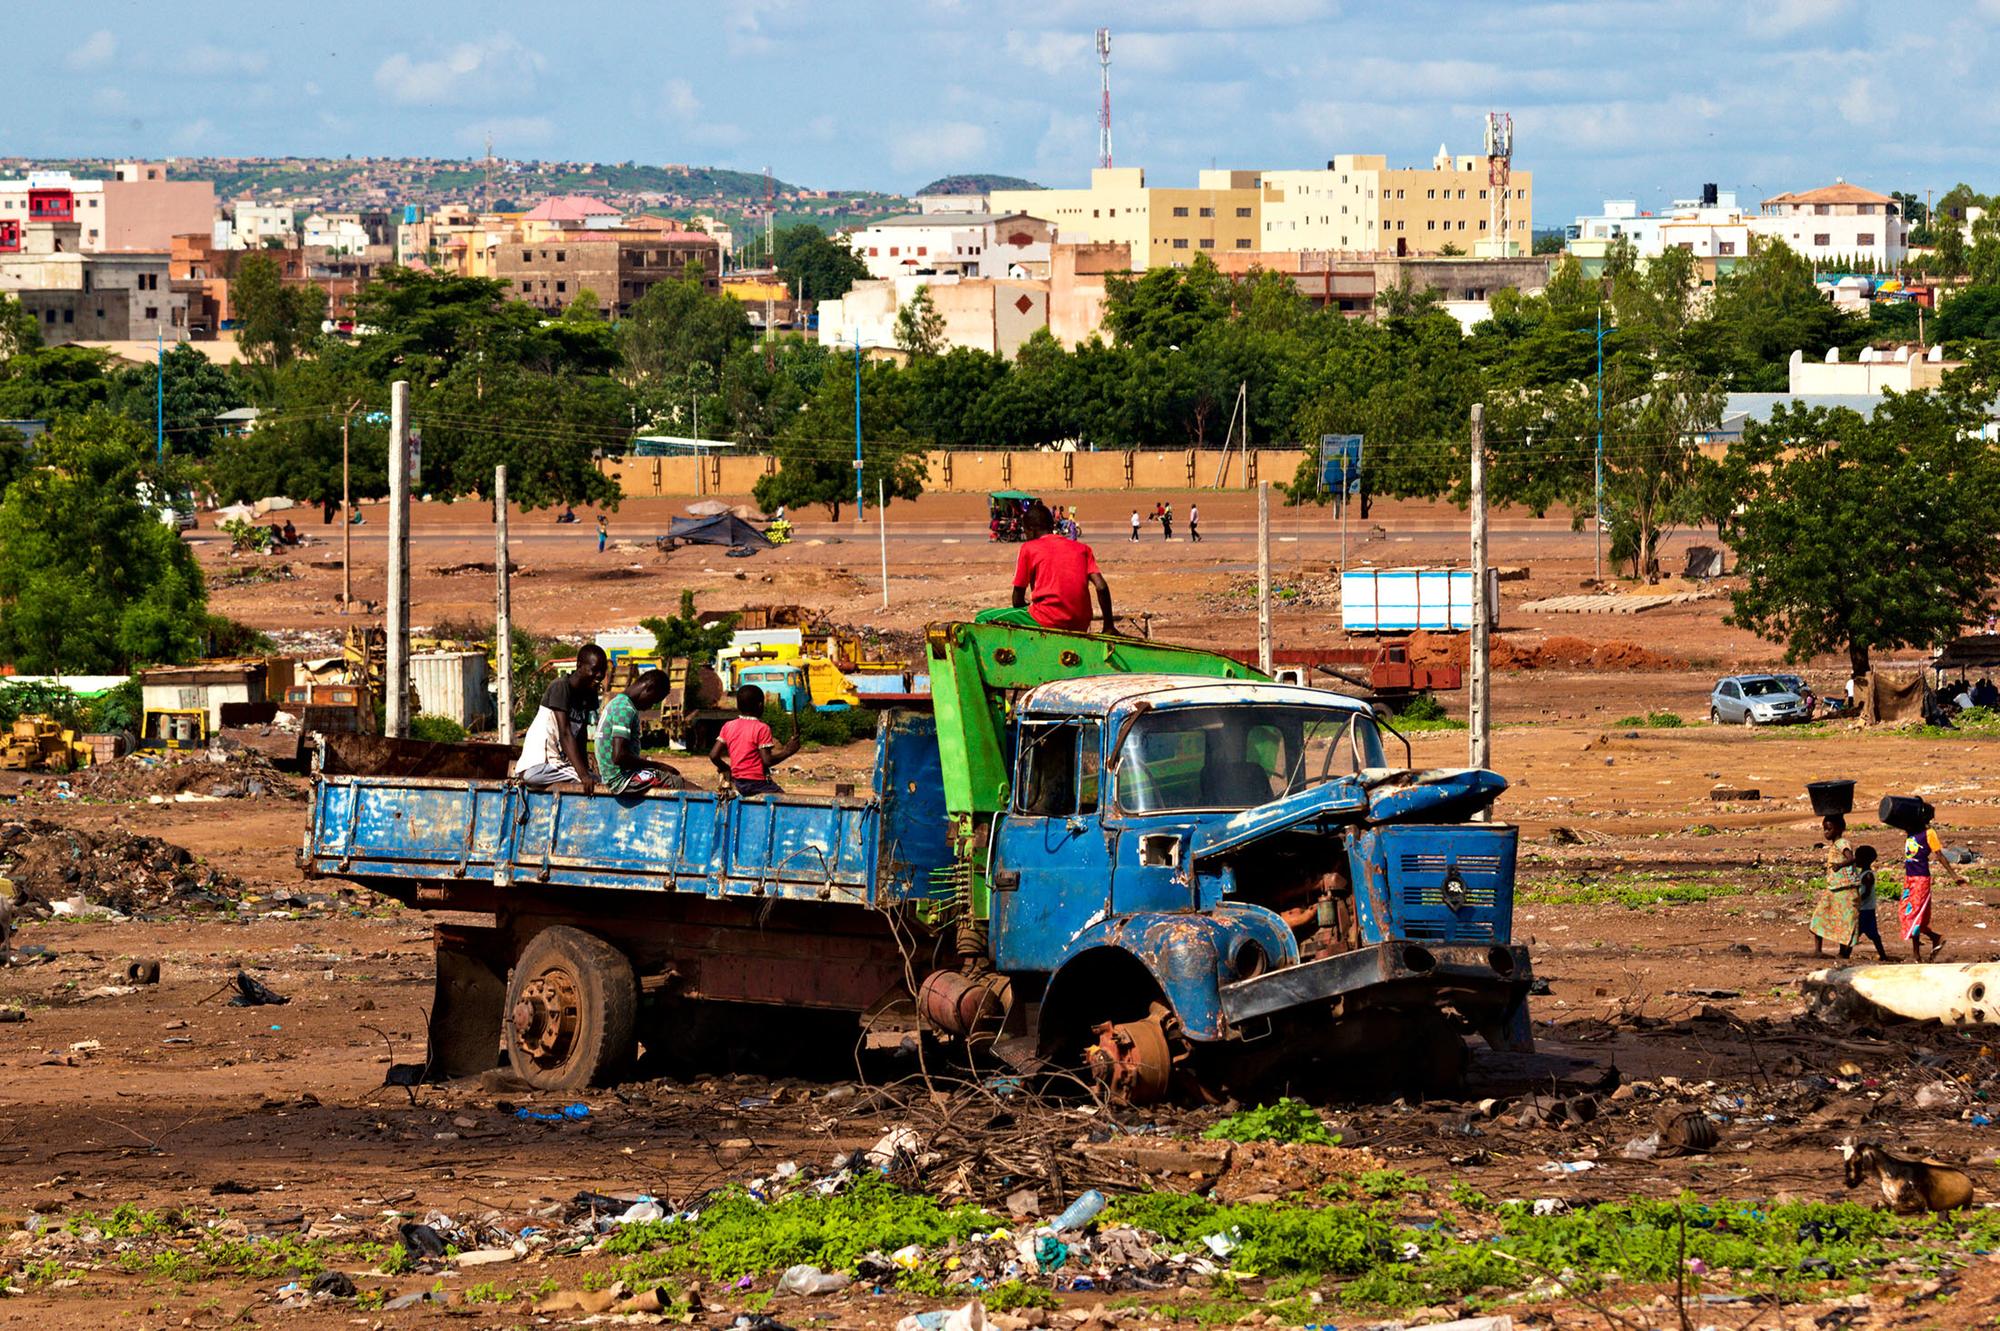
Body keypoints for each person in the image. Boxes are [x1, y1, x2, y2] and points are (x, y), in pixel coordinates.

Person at [976, 503, 1116, 634]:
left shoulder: (1029, 548)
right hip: (1081, 623)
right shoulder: (1082, 549)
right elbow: (1101, 587)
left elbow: (1017, 599)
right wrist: (1108, 626)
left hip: (1047, 618)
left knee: (982, 618)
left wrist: (1028, 606)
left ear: (1030, 530)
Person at [513, 644, 608, 790]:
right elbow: (565, 733)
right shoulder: (561, 687)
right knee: (599, 782)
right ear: (579, 665)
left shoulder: (589, 693)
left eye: (603, 671)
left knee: (593, 779)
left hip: (557, 767)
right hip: (540, 765)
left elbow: (581, 736)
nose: (599, 675)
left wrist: (585, 770)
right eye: (594, 669)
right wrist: (583, 775)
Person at [595, 670, 685, 794]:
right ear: (649, 688)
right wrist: (657, 765)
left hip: (612, 776)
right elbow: (618, 756)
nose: (650, 707)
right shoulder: (625, 709)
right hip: (622, 779)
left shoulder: (616, 702)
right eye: (653, 701)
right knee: (679, 783)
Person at [710, 684, 800, 796]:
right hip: (757, 783)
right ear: (760, 705)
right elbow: (767, 761)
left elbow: (713, 755)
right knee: (785, 803)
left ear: (738, 705)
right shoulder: (762, 728)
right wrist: (788, 751)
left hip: (738, 782)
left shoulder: (728, 726)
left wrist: (727, 769)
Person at [1901, 809, 1955, 961]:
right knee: (1906, 914)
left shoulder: (1929, 833)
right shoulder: (1910, 831)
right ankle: (1935, 937)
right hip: (1909, 879)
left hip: (1921, 879)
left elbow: (1939, 855)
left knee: (1915, 915)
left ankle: (1916, 955)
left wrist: (1953, 875)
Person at [1810, 813, 1860, 959]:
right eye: (1824, 829)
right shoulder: (1836, 845)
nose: (1826, 832)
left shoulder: (1842, 843)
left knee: (1845, 922)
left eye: (1829, 829)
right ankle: (1819, 951)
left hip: (1845, 889)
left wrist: (1840, 865)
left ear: (1839, 829)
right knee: (1820, 917)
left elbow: (1851, 858)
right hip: (1834, 888)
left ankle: (1843, 953)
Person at [1853, 844, 1890, 961]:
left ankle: (1845, 953)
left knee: (1855, 933)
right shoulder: (1864, 873)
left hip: (1865, 909)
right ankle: (1883, 955)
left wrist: (1858, 900)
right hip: (1867, 909)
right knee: (1872, 934)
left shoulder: (1867, 875)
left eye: (1857, 857)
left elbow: (1867, 892)